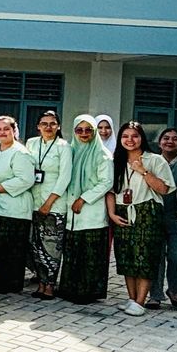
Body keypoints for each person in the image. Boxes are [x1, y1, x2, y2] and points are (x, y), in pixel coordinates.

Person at [107, 120, 176, 317]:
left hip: (147, 211)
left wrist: (143, 171)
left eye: (134, 136)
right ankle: (131, 298)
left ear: (142, 138)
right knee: (126, 256)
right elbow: (111, 191)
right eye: (125, 136)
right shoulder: (116, 161)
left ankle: (140, 301)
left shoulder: (155, 160)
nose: (130, 140)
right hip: (122, 210)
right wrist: (112, 213)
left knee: (145, 257)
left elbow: (164, 189)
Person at [0, 115, 37, 295]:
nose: (2, 132)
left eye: (6, 129)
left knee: (10, 250)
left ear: (14, 131)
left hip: (13, 209)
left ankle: (10, 285)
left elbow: (26, 180)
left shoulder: (21, 152)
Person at [59, 116, 113, 304]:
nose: (83, 134)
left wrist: (83, 199)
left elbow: (106, 182)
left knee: (90, 253)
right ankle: (69, 289)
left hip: (92, 211)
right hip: (71, 211)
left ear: (94, 132)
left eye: (88, 130)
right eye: (79, 130)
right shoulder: (71, 151)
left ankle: (88, 292)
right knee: (73, 251)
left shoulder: (102, 154)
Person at [25, 109, 72, 301]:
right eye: (44, 124)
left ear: (58, 126)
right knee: (36, 245)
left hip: (54, 204)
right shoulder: (31, 143)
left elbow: (65, 177)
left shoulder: (64, 146)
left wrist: (49, 202)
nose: (48, 127)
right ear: (38, 126)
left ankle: (50, 285)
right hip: (33, 201)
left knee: (52, 246)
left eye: (52, 123)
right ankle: (41, 282)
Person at [149, 128, 177, 310]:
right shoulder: (152, 162)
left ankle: (175, 290)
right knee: (155, 257)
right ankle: (154, 295)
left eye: (175, 138)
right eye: (166, 138)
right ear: (159, 143)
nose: (170, 141)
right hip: (154, 216)